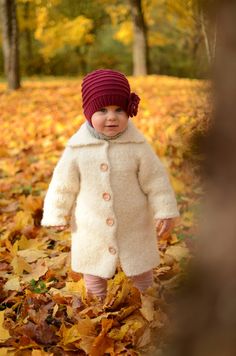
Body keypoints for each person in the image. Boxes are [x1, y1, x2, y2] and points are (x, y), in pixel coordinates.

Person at [41, 69, 180, 300]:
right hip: (91, 225)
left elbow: (155, 180)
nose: (112, 117)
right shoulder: (77, 148)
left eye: (119, 110)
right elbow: (63, 183)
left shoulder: (137, 146)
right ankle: (97, 306)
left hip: (134, 223)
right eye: (102, 110)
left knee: (141, 269)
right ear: (87, 113)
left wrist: (165, 210)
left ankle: (145, 302)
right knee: (94, 271)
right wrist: (57, 212)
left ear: (129, 111)